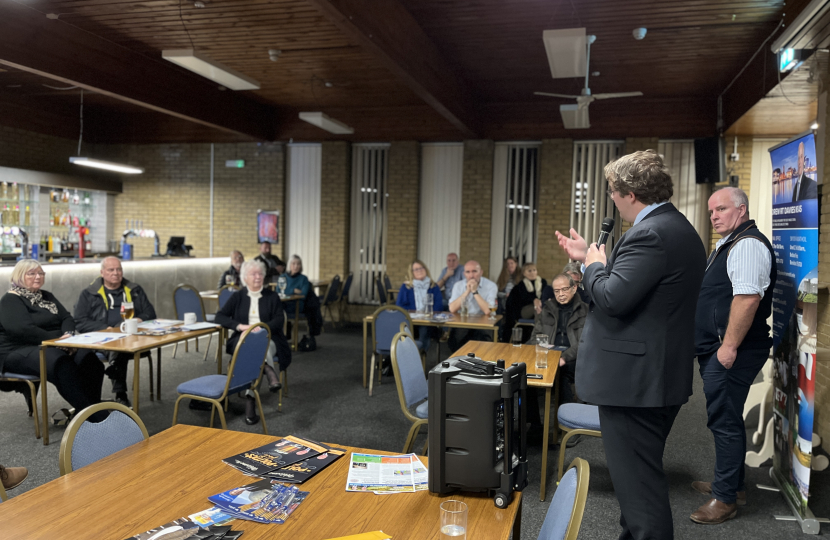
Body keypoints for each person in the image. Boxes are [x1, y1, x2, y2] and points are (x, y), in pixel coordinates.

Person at [555, 149, 705, 540]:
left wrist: (592, 267)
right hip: (652, 379)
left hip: (635, 385)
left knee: (640, 496)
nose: (612, 200)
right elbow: (622, 296)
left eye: (612, 192)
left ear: (629, 192)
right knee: (637, 484)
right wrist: (584, 263)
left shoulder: (649, 234)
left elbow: (612, 299)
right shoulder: (676, 227)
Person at [690, 187, 775, 524]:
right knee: (727, 418)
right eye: (711, 211)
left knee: (723, 421)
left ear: (741, 209)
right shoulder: (731, 243)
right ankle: (732, 485)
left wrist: (728, 347)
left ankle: (725, 499)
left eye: (721, 209)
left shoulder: (748, 245)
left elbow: (748, 299)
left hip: (732, 349)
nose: (714, 216)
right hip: (721, 347)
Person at [0, 260, 106, 424]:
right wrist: (57, 340)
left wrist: (68, 335)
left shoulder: (46, 296)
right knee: (62, 364)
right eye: (32, 273)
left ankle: (86, 411)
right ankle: (95, 418)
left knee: (90, 359)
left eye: (41, 273)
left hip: (53, 345)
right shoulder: (10, 300)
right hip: (17, 350)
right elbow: (23, 330)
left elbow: (67, 317)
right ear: (19, 276)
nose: (38, 277)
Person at [215, 260, 292, 424]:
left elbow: (279, 320)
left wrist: (262, 328)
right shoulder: (238, 296)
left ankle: (250, 400)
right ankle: (269, 370)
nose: (258, 277)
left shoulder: (272, 296)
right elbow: (220, 316)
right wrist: (241, 327)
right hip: (242, 338)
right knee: (253, 350)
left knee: (260, 348)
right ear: (245, 277)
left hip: (268, 337)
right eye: (253, 274)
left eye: (260, 274)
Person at [74, 256, 157, 407]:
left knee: (122, 341)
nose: (116, 273)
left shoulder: (134, 290)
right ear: (102, 272)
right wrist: (105, 329)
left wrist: (138, 319)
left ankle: (115, 369)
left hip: (129, 335)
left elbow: (150, 313)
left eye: (119, 269)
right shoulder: (88, 294)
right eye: (111, 270)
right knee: (119, 345)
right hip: (101, 336)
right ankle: (120, 393)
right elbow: (79, 321)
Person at [528, 273, 587, 405]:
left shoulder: (585, 311)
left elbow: (584, 344)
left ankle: (566, 419)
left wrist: (564, 358)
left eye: (564, 289)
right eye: (556, 291)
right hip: (548, 355)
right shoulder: (547, 309)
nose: (560, 294)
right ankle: (534, 423)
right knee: (525, 371)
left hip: (574, 358)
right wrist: (544, 353)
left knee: (562, 373)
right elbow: (535, 337)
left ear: (574, 288)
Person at [447, 260, 497, 351]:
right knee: (455, 341)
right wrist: (467, 291)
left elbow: (488, 311)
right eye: (468, 272)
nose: (471, 275)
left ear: (481, 272)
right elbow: (452, 308)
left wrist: (474, 291)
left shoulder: (491, 285)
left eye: (474, 271)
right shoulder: (458, 285)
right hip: (463, 323)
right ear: (464, 274)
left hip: (483, 324)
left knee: (484, 344)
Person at [396, 260, 443, 349]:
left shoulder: (433, 286)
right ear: (412, 273)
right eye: (416, 269)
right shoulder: (406, 287)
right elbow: (400, 306)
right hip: (410, 321)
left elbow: (438, 306)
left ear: (426, 269)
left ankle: (420, 354)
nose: (420, 270)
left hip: (427, 322)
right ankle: (407, 353)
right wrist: (416, 313)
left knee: (425, 328)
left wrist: (426, 315)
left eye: (422, 268)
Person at [503, 262, 547, 342]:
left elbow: (546, 296)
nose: (533, 272)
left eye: (534, 270)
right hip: (524, 311)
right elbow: (522, 299)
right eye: (529, 271)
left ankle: (547, 333)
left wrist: (539, 301)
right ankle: (538, 336)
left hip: (541, 307)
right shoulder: (521, 285)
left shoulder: (543, 282)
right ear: (524, 273)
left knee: (541, 307)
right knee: (536, 308)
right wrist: (534, 300)